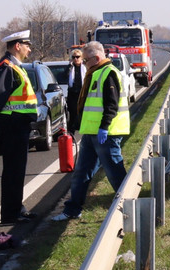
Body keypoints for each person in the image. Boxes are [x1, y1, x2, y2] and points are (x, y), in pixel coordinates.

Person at [52, 41, 130, 221]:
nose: (83, 63)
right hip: (92, 133)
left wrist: (104, 127)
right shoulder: (95, 73)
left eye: (86, 60)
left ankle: (131, 207)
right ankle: (72, 210)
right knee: (81, 172)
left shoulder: (108, 73)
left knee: (114, 173)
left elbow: (112, 105)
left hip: (106, 134)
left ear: (96, 58)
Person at [0, 30, 38, 224]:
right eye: (27, 45)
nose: (29, 49)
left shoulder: (15, 67)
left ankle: (17, 207)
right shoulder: (7, 67)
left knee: (17, 169)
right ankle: (10, 213)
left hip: (18, 124)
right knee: (13, 170)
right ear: (18, 46)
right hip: (13, 125)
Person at [66, 48, 87, 134]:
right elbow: (65, 77)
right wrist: (69, 68)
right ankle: (71, 133)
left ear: (81, 58)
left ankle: (84, 130)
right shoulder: (70, 68)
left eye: (77, 57)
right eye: (74, 57)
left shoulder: (84, 67)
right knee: (72, 114)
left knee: (83, 113)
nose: (75, 59)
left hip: (82, 93)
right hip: (72, 94)